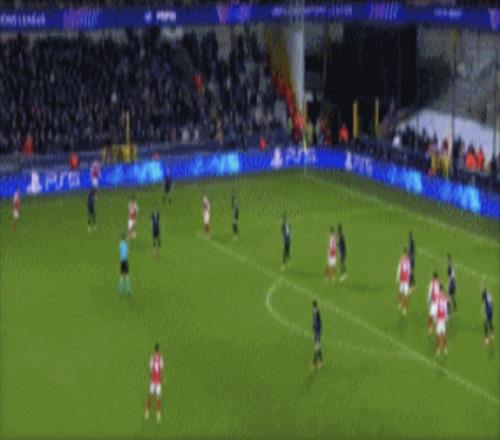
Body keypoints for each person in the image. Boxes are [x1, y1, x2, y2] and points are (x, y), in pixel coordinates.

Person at [145, 343, 164, 423]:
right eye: (156, 351)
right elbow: (153, 368)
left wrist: (160, 378)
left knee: (156, 397)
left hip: (156, 380)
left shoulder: (158, 358)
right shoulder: (155, 358)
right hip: (154, 380)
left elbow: (160, 369)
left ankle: (156, 413)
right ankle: (149, 411)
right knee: (152, 396)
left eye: (157, 351)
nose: (157, 353)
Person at [396, 248, 411, 316]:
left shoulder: (408, 261)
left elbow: (409, 270)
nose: (405, 255)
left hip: (406, 280)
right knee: (400, 292)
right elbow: (399, 269)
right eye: (405, 254)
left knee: (406, 294)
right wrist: (397, 278)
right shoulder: (401, 260)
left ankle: (404, 308)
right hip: (401, 279)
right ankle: (399, 303)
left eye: (406, 254)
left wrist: (409, 279)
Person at [435, 286, 448, 356]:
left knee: (444, 335)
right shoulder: (438, 300)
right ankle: (438, 349)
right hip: (439, 320)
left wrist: (445, 319)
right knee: (438, 336)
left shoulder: (445, 301)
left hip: (443, 320)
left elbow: (445, 311)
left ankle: (445, 348)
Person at [311, 300, 324, 369]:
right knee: (317, 348)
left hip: (317, 333)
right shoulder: (315, 312)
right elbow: (317, 323)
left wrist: (317, 332)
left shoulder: (316, 312)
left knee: (317, 347)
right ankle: (320, 362)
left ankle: (315, 363)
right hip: (316, 332)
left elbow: (318, 323)